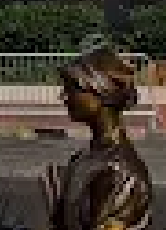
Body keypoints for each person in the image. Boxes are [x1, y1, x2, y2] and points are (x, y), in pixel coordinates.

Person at [44, 46, 153, 230]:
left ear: (101, 93)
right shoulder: (86, 157)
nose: (63, 96)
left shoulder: (122, 173)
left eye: (73, 88)